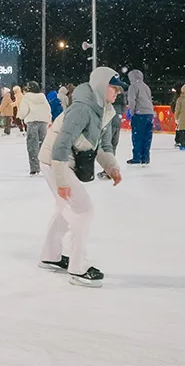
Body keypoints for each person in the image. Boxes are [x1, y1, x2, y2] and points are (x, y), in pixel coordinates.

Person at [38, 67, 125, 288]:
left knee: (64, 209)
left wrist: (112, 167)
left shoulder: (104, 110)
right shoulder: (82, 108)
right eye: (113, 88)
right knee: (82, 209)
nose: (117, 93)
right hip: (55, 161)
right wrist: (62, 180)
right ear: (101, 86)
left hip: (63, 161)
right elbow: (61, 145)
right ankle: (79, 268)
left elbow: (102, 145)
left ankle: (51, 255)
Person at [18, 81, 52, 176]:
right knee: (43, 145)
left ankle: (34, 168)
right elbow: (48, 109)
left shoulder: (27, 98)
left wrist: (21, 116)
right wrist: (48, 120)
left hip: (32, 122)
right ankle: (44, 166)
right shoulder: (43, 97)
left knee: (32, 146)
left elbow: (23, 111)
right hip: (43, 123)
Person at [126, 69, 154, 166]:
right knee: (147, 137)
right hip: (149, 114)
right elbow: (150, 99)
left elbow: (132, 100)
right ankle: (145, 158)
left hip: (139, 114)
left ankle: (137, 158)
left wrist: (131, 111)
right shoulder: (146, 86)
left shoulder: (133, 86)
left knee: (137, 137)